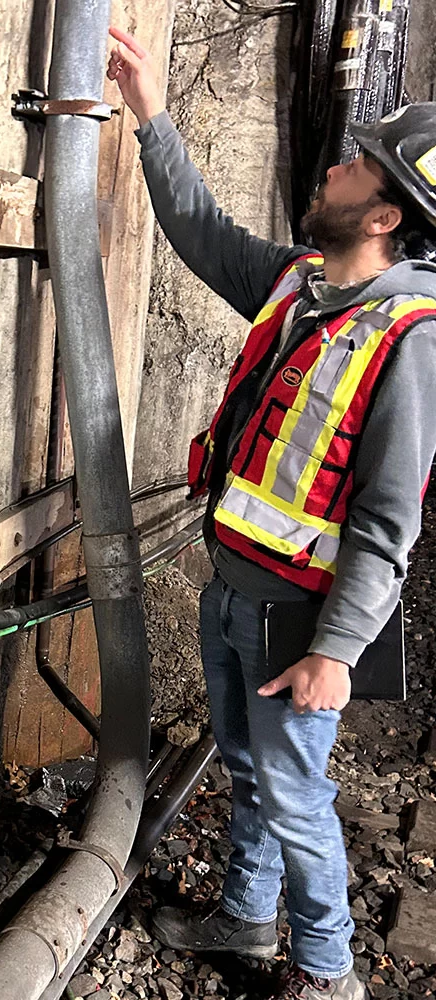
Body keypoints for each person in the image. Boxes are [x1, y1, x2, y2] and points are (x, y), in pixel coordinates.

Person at [107, 25, 436, 1000]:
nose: (331, 168)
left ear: (381, 211)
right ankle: (247, 919)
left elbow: (387, 519)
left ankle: (329, 973)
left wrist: (335, 651)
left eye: (353, 165)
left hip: (296, 618)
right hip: (234, 588)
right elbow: (201, 231)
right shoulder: (300, 287)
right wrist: (150, 112)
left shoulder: (410, 338)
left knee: (293, 796)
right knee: (251, 777)